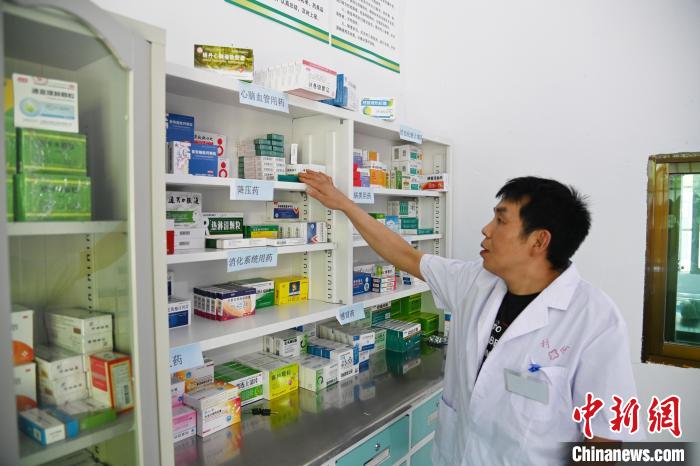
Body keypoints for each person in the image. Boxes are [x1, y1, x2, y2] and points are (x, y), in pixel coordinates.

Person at [298, 172, 641, 466]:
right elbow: (404, 255)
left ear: (539, 241)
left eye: (501, 221)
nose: (486, 229)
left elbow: (604, 439)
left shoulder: (595, 321)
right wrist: (344, 204)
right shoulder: (475, 282)